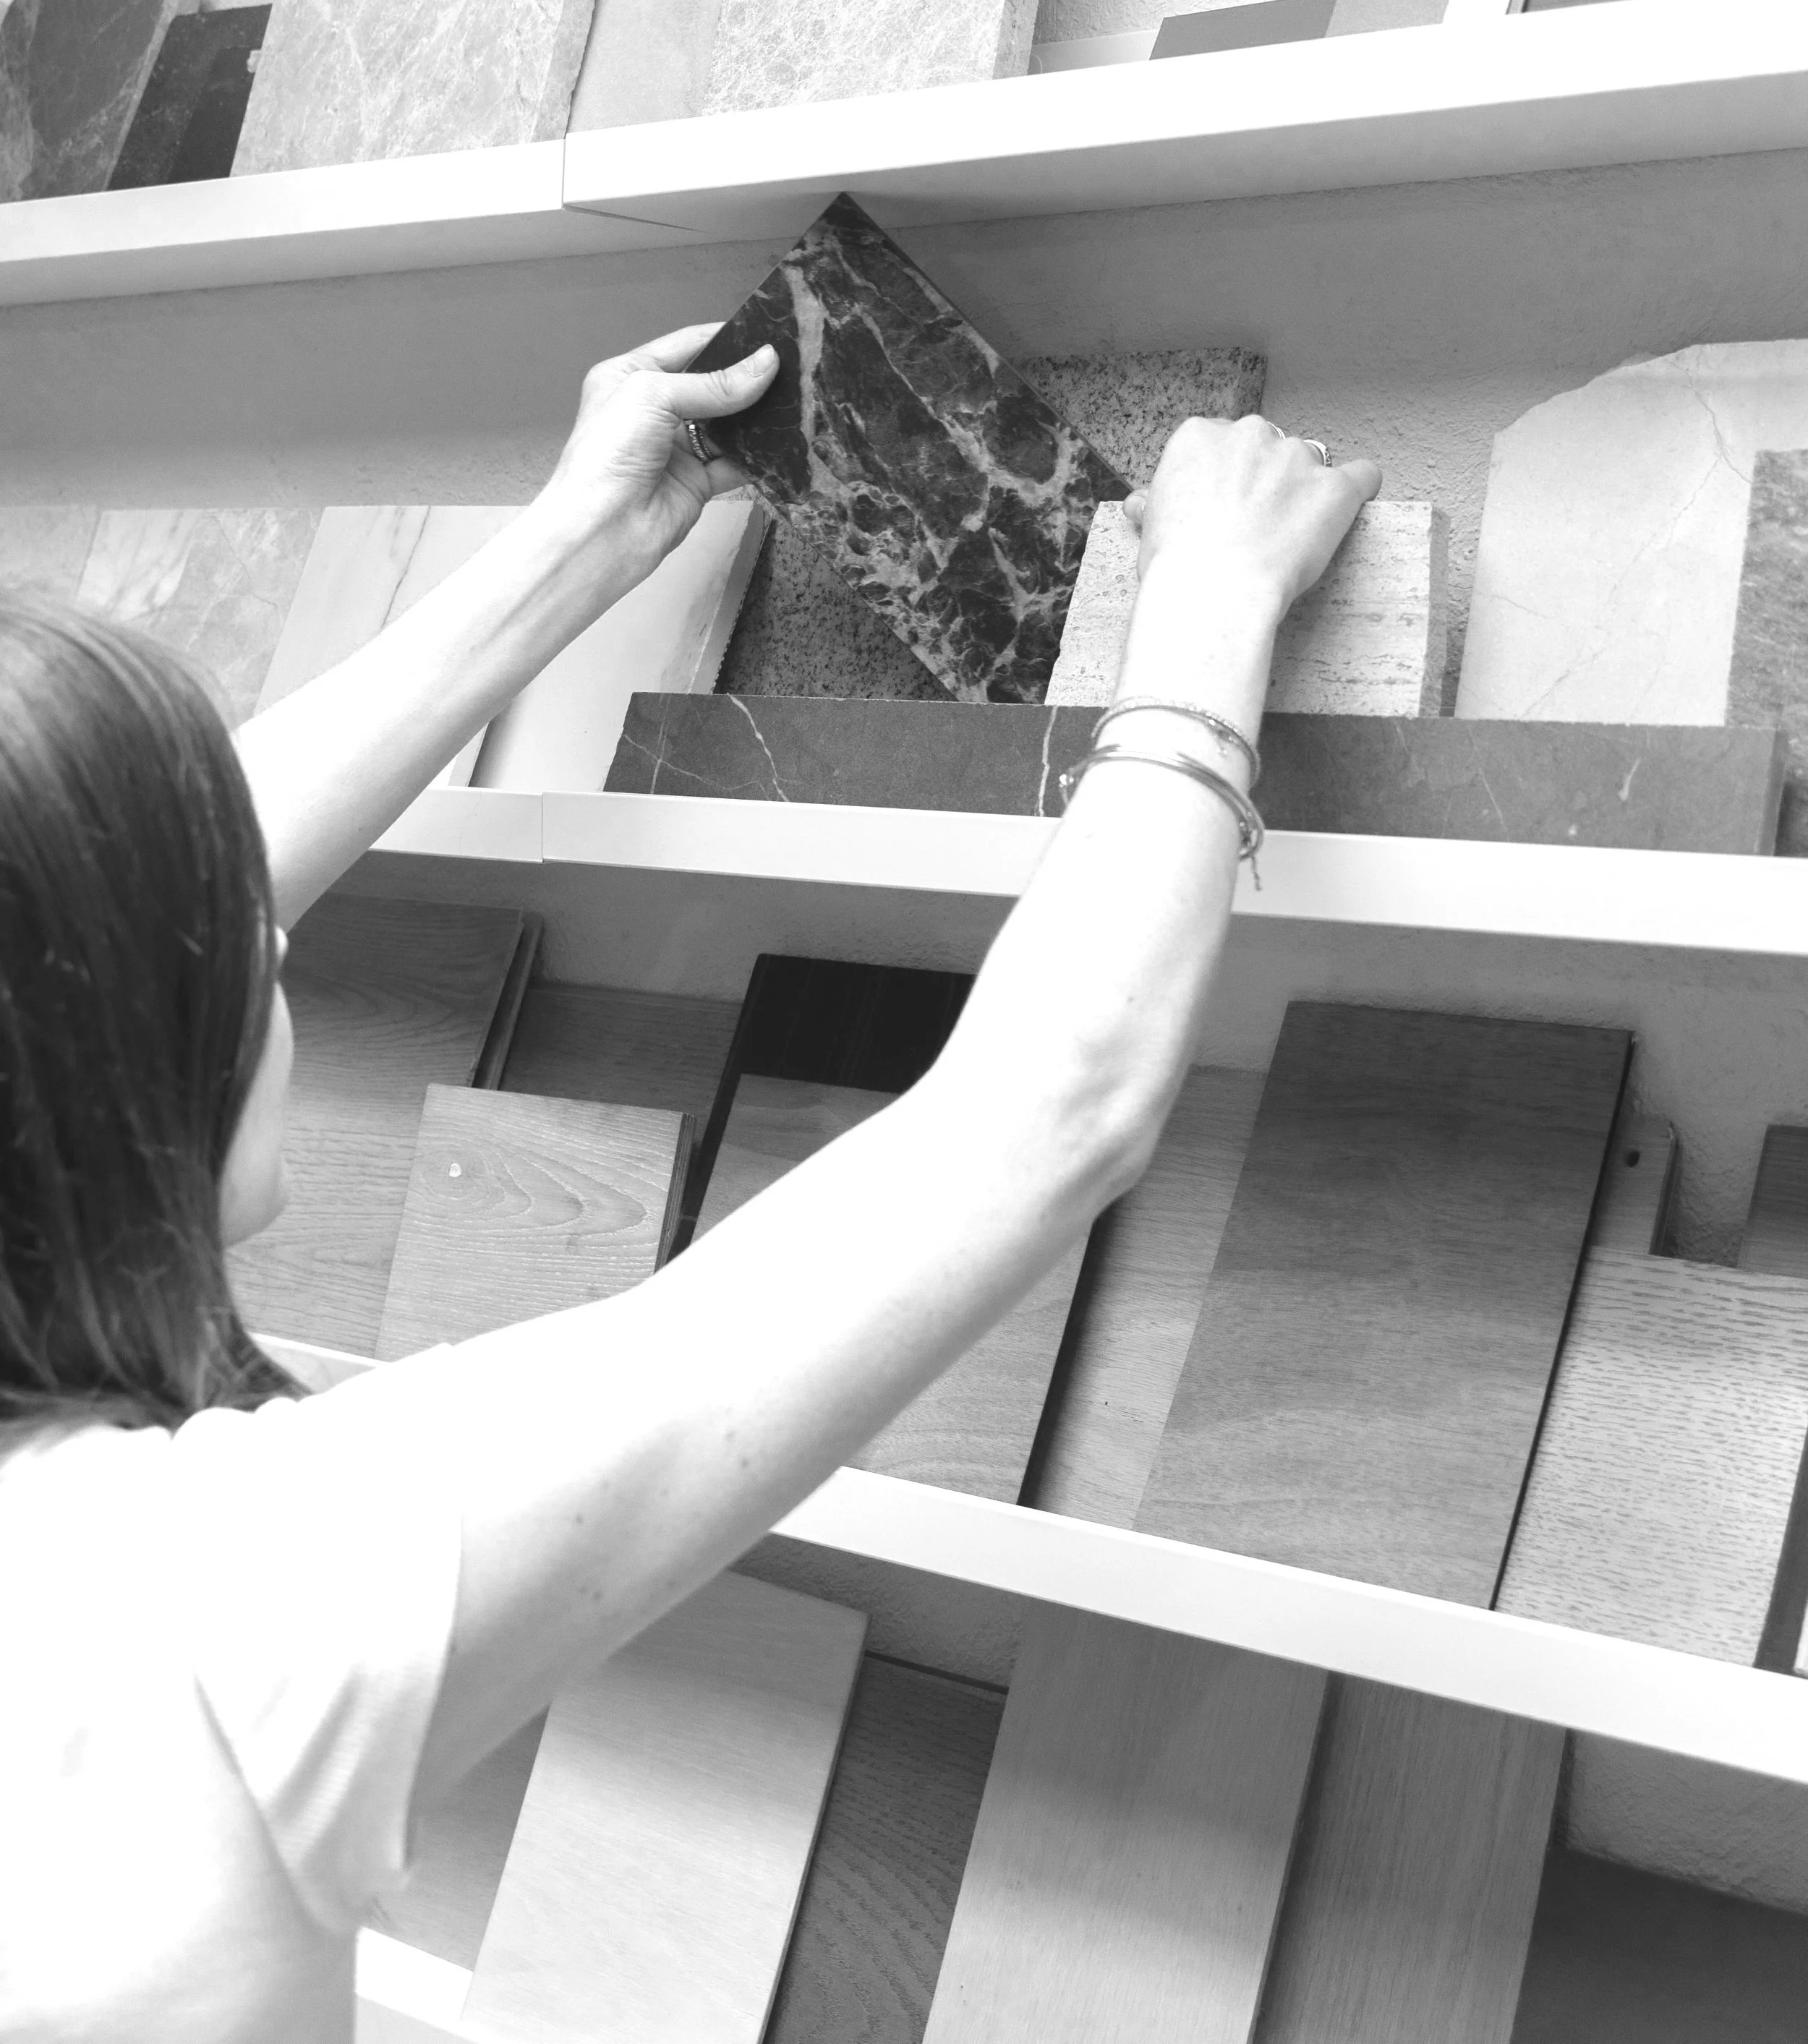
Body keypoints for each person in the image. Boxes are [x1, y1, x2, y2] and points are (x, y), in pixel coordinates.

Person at [0, 319, 1378, 2041]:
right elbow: (1044, 1105)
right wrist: (1207, 608)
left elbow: (111, 911)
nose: (271, 956)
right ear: (132, 1055)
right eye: (240, 949)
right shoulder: (226, 1596)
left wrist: (584, 532)